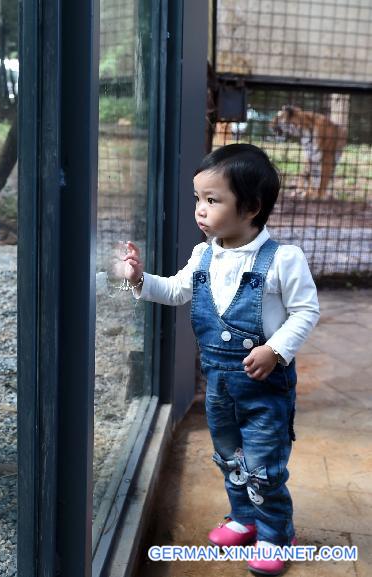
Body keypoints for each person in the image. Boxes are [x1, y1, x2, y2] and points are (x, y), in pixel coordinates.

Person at [123, 143, 320, 576]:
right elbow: (177, 291)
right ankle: (244, 518)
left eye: (212, 200)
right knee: (229, 457)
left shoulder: (283, 260)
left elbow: (307, 311)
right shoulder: (203, 255)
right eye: (198, 198)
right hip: (219, 387)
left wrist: (275, 349)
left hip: (265, 389)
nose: (200, 209)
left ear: (251, 208)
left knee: (264, 466)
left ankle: (274, 533)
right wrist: (141, 279)